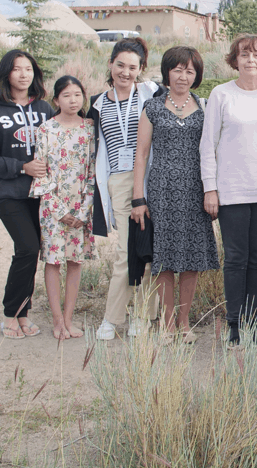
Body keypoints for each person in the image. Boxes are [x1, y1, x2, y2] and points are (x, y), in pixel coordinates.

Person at [200, 34, 257, 348]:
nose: (251, 60)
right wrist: (211, 188)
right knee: (235, 258)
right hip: (231, 191)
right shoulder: (221, 94)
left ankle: (254, 320)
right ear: (235, 60)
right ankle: (235, 323)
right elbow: (207, 146)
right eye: (244, 54)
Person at [131, 46, 218, 343]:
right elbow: (141, 155)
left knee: (192, 258)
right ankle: (166, 324)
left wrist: (213, 189)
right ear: (167, 71)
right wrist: (138, 198)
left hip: (197, 190)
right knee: (165, 258)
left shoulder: (205, 106)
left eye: (190, 71)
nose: (183, 76)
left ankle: (184, 323)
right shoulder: (152, 107)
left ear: (197, 75)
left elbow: (213, 151)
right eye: (178, 69)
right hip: (161, 190)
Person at [0, 50, 52, 339]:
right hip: (9, 192)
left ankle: (23, 313)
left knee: (32, 254)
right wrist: (22, 167)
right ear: (6, 73)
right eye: (17, 69)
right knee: (28, 248)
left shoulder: (44, 109)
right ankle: (10, 314)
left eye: (29, 69)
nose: (24, 74)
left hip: (40, 194)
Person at [89, 38, 160, 341]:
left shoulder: (151, 93)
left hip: (151, 177)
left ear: (141, 69)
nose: (126, 72)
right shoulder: (97, 103)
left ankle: (143, 316)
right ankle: (112, 318)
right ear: (110, 64)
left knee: (150, 251)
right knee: (125, 252)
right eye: (120, 65)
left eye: (133, 67)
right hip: (119, 181)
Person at [30, 76, 96, 340]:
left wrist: (82, 211)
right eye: (67, 95)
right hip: (52, 209)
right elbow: (41, 173)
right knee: (53, 262)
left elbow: (92, 172)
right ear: (56, 100)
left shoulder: (89, 128)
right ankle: (57, 321)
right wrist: (61, 212)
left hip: (81, 209)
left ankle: (69, 320)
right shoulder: (46, 129)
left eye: (78, 95)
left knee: (75, 262)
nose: (73, 100)